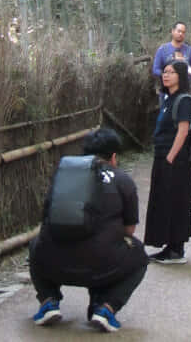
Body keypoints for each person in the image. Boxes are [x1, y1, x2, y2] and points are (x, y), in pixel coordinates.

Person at [29, 128, 148, 333]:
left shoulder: (63, 175)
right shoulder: (122, 179)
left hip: (53, 263)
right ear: (113, 157)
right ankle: (106, 308)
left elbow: (46, 218)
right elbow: (129, 230)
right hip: (102, 267)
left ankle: (48, 300)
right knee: (138, 255)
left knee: (35, 244)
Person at [144, 60, 191, 264]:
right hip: (163, 157)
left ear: (180, 76)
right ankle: (168, 245)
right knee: (164, 201)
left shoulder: (184, 100)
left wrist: (170, 157)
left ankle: (177, 248)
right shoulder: (168, 99)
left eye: (171, 72)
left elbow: (183, 131)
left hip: (175, 160)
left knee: (175, 202)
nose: (166, 75)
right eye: (164, 72)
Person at [152, 22, 191, 94]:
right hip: (167, 91)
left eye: (183, 32)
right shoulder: (162, 49)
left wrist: (183, 76)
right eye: (179, 31)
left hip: (185, 91)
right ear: (172, 31)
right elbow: (155, 70)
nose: (181, 34)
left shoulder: (190, 51)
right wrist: (168, 75)